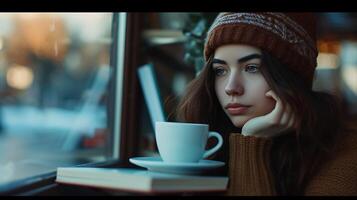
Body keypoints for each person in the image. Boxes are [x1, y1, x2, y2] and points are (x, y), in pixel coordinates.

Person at [176, 12, 357, 195]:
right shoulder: (213, 142)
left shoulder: (344, 151)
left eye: (252, 68)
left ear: (290, 77)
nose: (231, 88)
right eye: (220, 71)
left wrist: (251, 142)